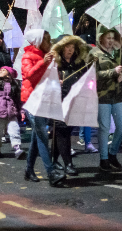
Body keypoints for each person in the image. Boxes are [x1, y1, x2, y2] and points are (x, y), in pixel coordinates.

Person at [21, 29, 66, 186]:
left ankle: (28, 169)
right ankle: (51, 172)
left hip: (44, 100)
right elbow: (29, 75)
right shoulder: (27, 56)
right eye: (46, 40)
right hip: (32, 102)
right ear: (39, 42)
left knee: (37, 137)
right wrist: (43, 62)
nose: (50, 44)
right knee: (42, 136)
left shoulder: (48, 57)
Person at [87, 25, 122, 171]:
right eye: (108, 37)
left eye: (112, 38)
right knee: (104, 127)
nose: (110, 41)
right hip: (102, 95)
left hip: (118, 95)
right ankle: (103, 158)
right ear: (101, 38)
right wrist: (112, 72)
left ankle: (113, 153)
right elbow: (92, 75)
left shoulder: (117, 53)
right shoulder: (94, 53)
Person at [52, 35, 90, 176]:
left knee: (63, 132)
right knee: (63, 131)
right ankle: (68, 164)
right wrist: (55, 82)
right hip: (59, 102)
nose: (70, 50)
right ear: (61, 48)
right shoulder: (55, 64)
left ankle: (53, 159)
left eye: (73, 47)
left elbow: (85, 79)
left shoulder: (78, 63)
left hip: (74, 101)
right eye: (67, 47)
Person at [0, 66, 24, 159]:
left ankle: (17, 148)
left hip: (11, 112)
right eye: (0, 70)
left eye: (4, 70)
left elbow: (19, 100)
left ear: (9, 73)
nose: (1, 71)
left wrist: (22, 111)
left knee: (14, 130)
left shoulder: (15, 84)